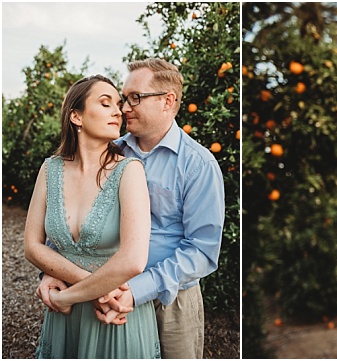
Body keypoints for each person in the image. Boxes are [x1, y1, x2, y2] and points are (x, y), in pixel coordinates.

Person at [36, 58, 226, 359]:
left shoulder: (198, 164)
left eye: (135, 98)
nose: (123, 108)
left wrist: (137, 290)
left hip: (171, 297)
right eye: (124, 98)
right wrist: (52, 269)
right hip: (99, 286)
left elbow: (202, 251)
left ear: (168, 101)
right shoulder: (109, 151)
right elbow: (69, 210)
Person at [24, 75, 160, 358]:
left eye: (118, 104)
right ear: (76, 116)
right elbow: (32, 246)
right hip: (71, 316)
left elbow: (134, 260)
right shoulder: (50, 170)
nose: (118, 111)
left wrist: (67, 296)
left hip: (113, 315)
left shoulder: (130, 171)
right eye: (105, 103)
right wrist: (96, 287)